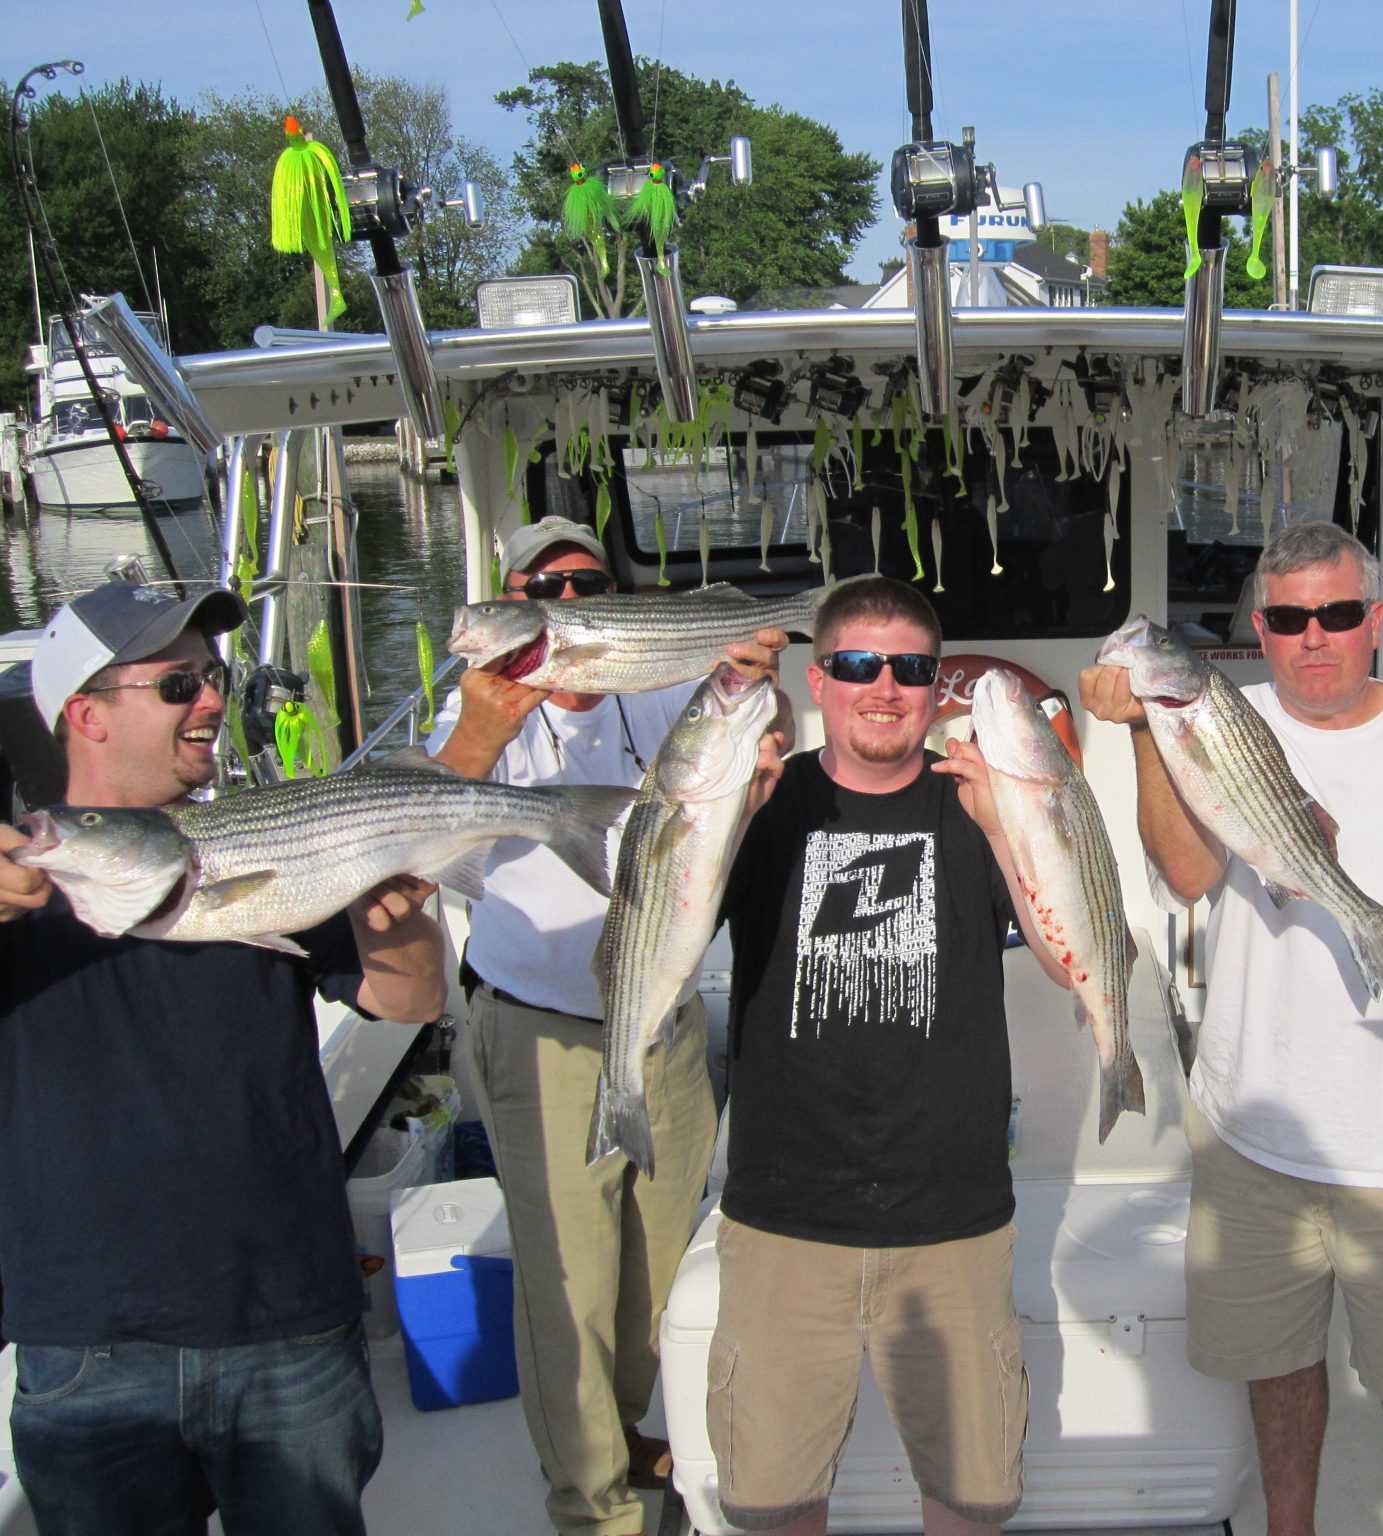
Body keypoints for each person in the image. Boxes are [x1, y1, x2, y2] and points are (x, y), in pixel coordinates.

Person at [1079, 519, 1383, 1536]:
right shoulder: (1216, 719)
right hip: (1252, 1130)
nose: (1312, 637)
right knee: (1277, 1376)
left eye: (1334, 614)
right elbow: (1189, 877)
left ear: (1373, 621)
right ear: (1258, 628)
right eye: (1287, 619)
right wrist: (1145, 730)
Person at [0, 579, 446, 1536]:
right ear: (86, 713)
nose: (210, 702)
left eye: (214, 677)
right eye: (175, 686)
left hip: (288, 1316)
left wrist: (393, 920)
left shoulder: (270, 842)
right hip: (88, 1344)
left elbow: (411, 999)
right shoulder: (14, 881)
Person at [428, 515, 783, 1536]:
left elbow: (764, 741)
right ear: (511, 603)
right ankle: (595, 1509)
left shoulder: (662, 693)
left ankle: (626, 1434)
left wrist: (762, 685)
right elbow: (417, 844)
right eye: (545, 589)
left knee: (659, 1281)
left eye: (589, 584)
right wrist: (478, 735)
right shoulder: (474, 726)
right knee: (570, 1295)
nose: (571, 605)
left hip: (661, 1024)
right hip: (535, 1040)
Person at [709, 575, 1071, 1536]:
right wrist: (729, 812)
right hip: (784, 1218)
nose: (884, 687)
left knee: (969, 1504)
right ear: (819, 681)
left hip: (950, 1221)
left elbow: (1065, 953)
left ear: (936, 684)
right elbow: (661, 923)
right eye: (858, 665)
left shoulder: (979, 804)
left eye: (909, 668)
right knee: (773, 1507)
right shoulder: (763, 799)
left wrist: (1006, 821)